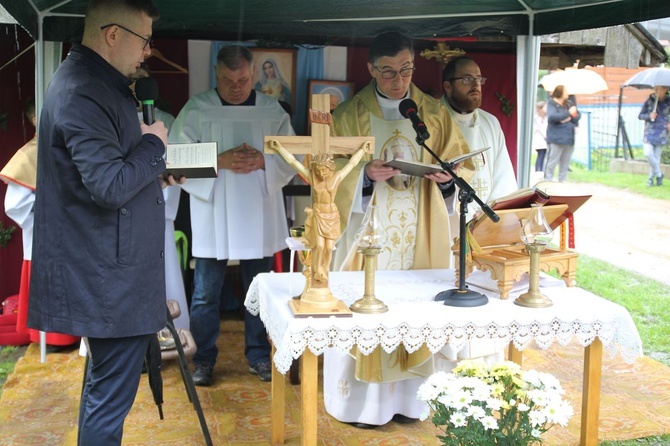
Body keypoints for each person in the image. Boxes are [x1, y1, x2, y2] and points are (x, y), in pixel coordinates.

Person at [27, 0, 180, 444]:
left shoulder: (96, 83)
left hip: (111, 271)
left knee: (104, 392)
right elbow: (109, 185)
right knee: (108, 399)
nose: (149, 52)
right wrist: (153, 148)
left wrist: (154, 172)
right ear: (112, 35)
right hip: (108, 278)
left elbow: (108, 170)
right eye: (144, 40)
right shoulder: (83, 90)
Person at [324, 31, 474, 428]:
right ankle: (364, 408)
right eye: (388, 72)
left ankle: (413, 403)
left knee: (415, 310)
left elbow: (463, 168)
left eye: (406, 70)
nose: (399, 81)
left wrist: (446, 179)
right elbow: (326, 179)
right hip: (367, 234)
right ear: (371, 69)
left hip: (419, 234)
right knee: (367, 312)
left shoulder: (433, 113)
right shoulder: (348, 116)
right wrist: (365, 175)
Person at [169, 45, 297, 386]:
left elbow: (294, 157)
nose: (236, 87)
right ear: (215, 74)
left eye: (242, 79)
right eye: (227, 80)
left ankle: (258, 355)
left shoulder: (272, 110)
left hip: (259, 207)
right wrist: (217, 160)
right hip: (214, 212)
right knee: (205, 293)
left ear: (253, 75)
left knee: (262, 290)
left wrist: (265, 162)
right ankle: (204, 360)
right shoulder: (197, 109)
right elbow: (175, 159)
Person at [0, 99, 80, 349]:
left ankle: (76, 333)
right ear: (35, 119)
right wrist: (47, 213)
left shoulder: (70, 145)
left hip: (76, 231)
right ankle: (52, 337)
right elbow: (15, 204)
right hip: (45, 234)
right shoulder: (29, 154)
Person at [130, 64, 189, 333]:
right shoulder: (113, 117)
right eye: (132, 80)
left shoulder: (165, 120)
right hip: (122, 208)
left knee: (162, 276)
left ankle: (167, 333)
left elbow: (174, 162)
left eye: (142, 80)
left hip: (156, 210)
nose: (136, 85)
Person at [441, 55, 518, 220]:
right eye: (467, 79)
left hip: (485, 220)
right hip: (447, 219)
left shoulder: (490, 123)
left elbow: (503, 177)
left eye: (478, 79)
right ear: (448, 86)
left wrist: (490, 211)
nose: (476, 85)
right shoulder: (434, 121)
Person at [544, 84, 581, 182]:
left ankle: (562, 182)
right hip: (556, 139)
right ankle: (547, 181)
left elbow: (577, 116)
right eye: (566, 91)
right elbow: (553, 117)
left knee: (565, 163)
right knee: (552, 162)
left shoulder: (568, 103)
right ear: (560, 92)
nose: (568, 94)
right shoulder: (551, 104)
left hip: (569, 138)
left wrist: (568, 118)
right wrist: (568, 114)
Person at [638, 86, 669, 187]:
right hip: (649, 132)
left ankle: (650, 179)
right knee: (648, 154)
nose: (656, 91)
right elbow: (640, 115)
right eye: (655, 89)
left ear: (665, 90)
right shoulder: (650, 101)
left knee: (657, 157)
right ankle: (659, 174)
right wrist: (649, 116)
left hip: (662, 132)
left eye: (659, 89)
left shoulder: (668, 101)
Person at [533, 101, 548, 172]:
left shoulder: (546, 118)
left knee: (543, 155)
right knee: (540, 155)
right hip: (540, 139)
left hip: (545, 140)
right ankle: (538, 170)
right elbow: (537, 129)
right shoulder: (536, 118)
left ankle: (541, 170)